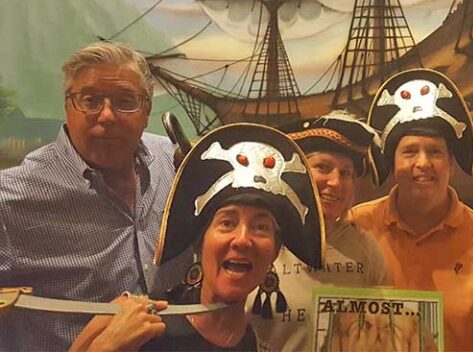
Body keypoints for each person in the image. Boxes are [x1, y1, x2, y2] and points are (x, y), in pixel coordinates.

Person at [70, 122, 325, 351]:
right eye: (227, 223)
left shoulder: (249, 342)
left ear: (273, 254)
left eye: (261, 228)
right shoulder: (140, 326)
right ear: (200, 243)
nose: (242, 240)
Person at [0, 42, 187, 351]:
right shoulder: (11, 200)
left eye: (126, 101)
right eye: (90, 100)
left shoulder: (175, 163)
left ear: (147, 111)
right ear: (68, 106)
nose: (107, 115)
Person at [348, 68, 473, 351]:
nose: (423, 163)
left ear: (451, 163)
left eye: (435, 152)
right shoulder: (356, 226)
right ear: (392, 163)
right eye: (410, 151)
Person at [250, 111, 391, 351]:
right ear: (297, 174)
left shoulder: (366, 248)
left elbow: (385, 332)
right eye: (323, 167)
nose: (335, 182)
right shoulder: (260, 239)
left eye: (346, 173)